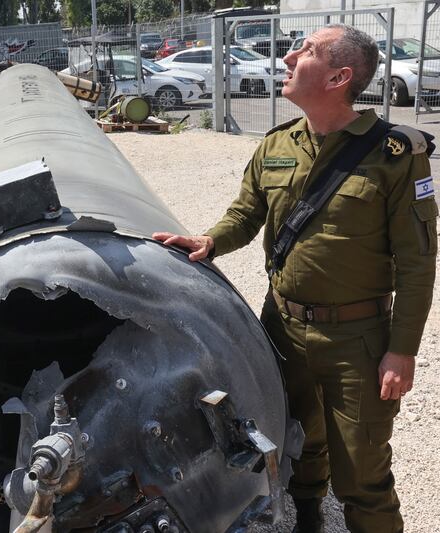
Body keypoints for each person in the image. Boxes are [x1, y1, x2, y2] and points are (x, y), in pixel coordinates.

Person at [153, 24, 436, 533]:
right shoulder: (278, 144)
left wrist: (402, 350)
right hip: (282, 326)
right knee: (299, 439)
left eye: (304, 51)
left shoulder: (395, 156)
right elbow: (245, 213)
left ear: (338, 76)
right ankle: (309, 518)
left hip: (359, 340)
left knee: (363, 472)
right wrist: (211, 241)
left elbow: (418, 262)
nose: (286, 58)